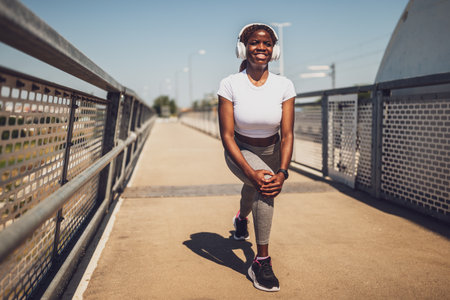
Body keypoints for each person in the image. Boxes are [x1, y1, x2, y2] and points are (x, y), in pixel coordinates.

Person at [217, 23, 296, 292]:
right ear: (243, 48)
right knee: (262, 184)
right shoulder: (230, 84)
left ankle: (241, 218)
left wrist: (283, 172)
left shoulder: (284, 85)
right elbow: (227, 136)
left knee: (252, 186)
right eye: (253, 43)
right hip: (240, 150)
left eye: (267, 44)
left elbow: (287, 134)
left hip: (273, 152)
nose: (260, 48)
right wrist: (249, 169)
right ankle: (260, 262)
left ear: (273, 51)